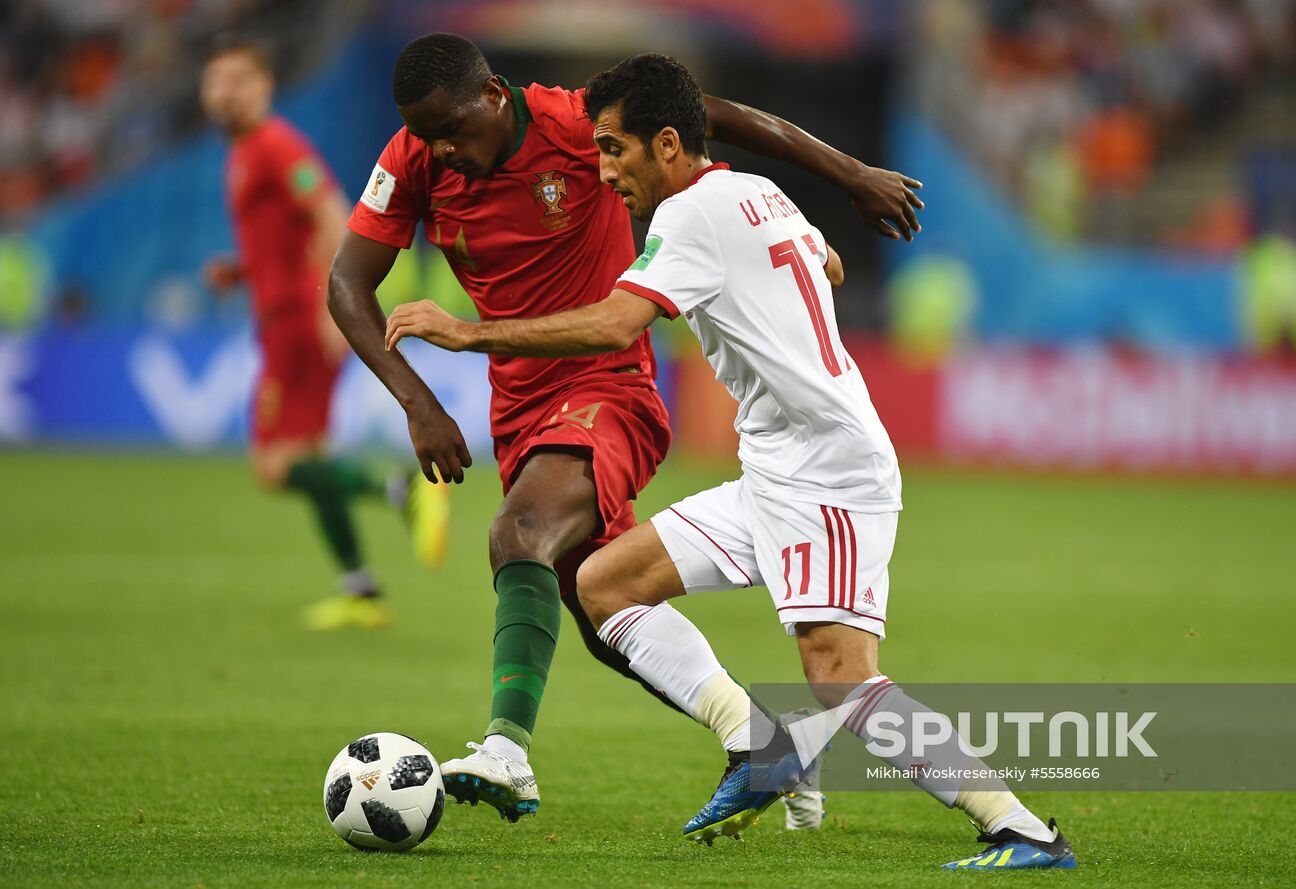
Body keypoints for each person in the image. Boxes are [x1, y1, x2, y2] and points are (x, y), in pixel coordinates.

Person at [383, 54, 1075, 871]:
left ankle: (1020, 827)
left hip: (829, 473)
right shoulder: (756, 192)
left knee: (841, 678)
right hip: (774, 469)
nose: (604, 173)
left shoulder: (692, 215)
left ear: (667, 144)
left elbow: (614, 324)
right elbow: (828, 262)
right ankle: (760, 743)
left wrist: (467, 333)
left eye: (615, 150)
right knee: (605, 584)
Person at [330, 33, 925, 824]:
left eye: (452, 130)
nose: (441, 148)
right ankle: (762, 740)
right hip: (519, 405)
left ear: (494, 97)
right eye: (425, 134)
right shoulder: (413, 159)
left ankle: (507, 753)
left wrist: (852, 175)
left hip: (608, 386)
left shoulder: (575, 122)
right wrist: (417, 401)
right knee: (599, 609)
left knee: (518, 533)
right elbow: (347, 283)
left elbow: (713, 116)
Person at [200, 36, 448, 631]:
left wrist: (329, 308)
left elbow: (331, 216)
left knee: (274, 465)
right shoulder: (244, 153)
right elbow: (284, 236)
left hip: (297, 324)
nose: (226, 93)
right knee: (309, 460)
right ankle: (360, 589)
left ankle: (402, 489)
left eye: (239, 80)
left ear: (265, 87)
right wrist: (242, 271)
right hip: (283, 317)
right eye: (217, 81)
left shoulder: (275, 145)